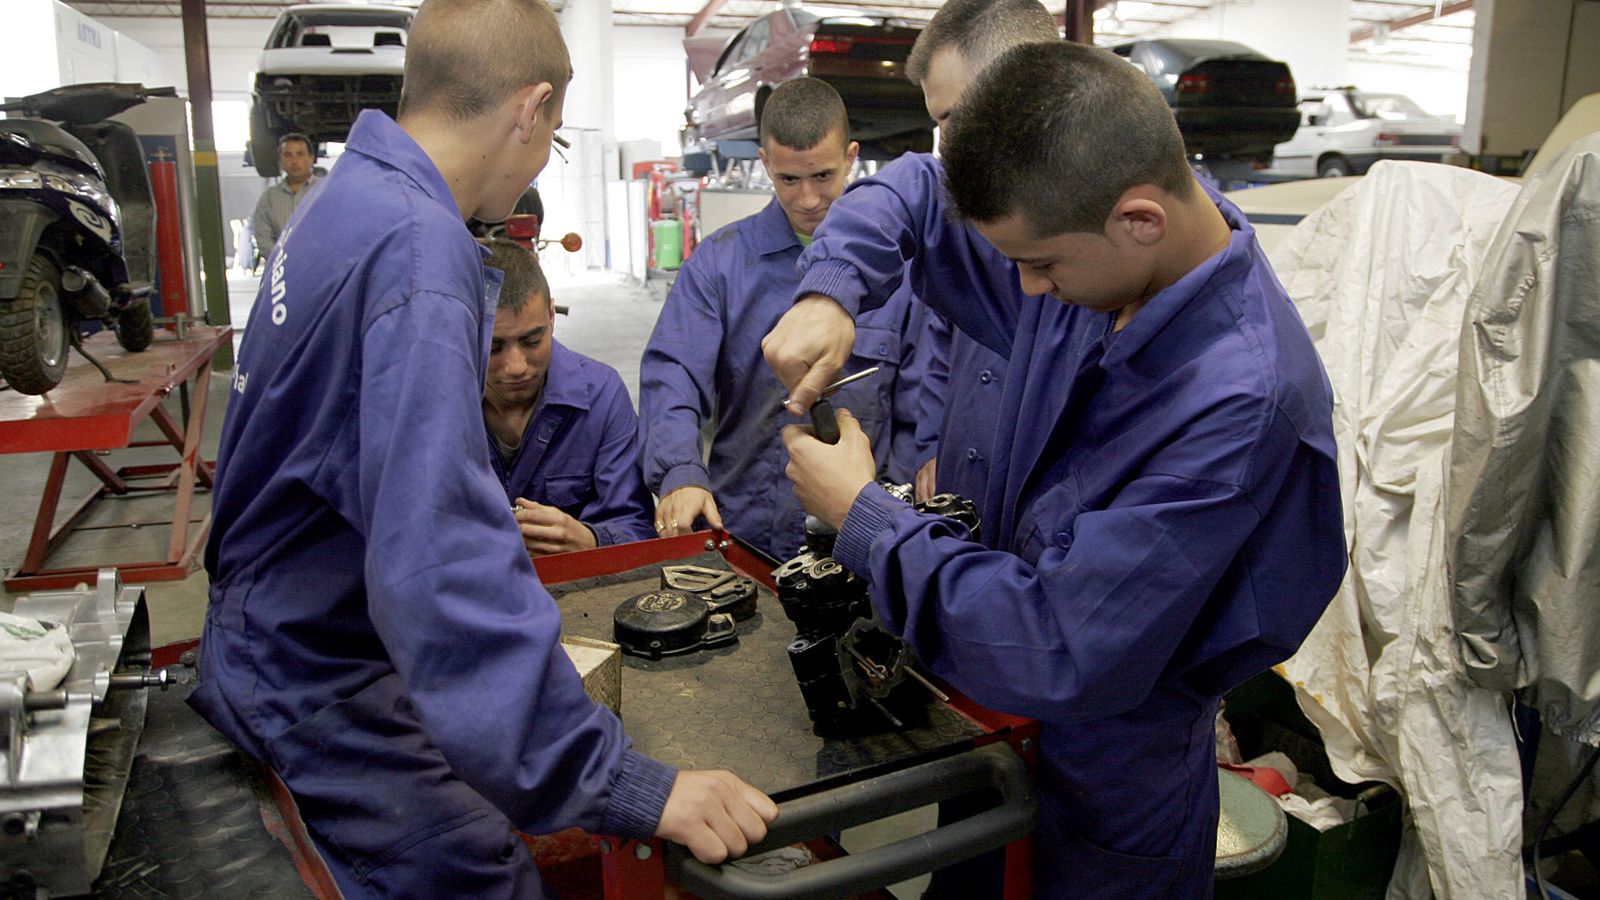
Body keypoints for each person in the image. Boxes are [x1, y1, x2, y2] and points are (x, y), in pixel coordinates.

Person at [190, 1, 776, 896]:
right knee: (484, 874)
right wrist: (617, 780)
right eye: (555, 137)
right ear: (530, 109)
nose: (542, 159)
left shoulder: (342, 199)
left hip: (275, 628)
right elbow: (436, 561)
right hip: (313, 673)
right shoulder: (420, 253)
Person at [767, 40, 1347, 898]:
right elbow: (921, 193)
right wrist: (831, 288)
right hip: (994, 720)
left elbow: (1063, 645)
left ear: (1139, 219)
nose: (1026, 295)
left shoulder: (1236, 404)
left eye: (1041, 266)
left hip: (1108, 775)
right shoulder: (1104, 253)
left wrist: (867, 517)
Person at [638, 77, 934, 561]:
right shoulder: (720, 264)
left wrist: (896, 502)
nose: (809, 199)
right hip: (742, 532)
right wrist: (680, 473)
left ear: (852, 155)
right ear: (765, 164)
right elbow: (672, 376)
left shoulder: (902, 274)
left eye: (823, 176)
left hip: (859, 536)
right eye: (789, 180)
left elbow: (920, 402)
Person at [479, 237, 656, 554]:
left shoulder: (601, 397)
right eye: (493, 348)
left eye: (533, 341)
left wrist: (590, 540)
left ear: (551, 316)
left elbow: (637, 528)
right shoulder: (437, 406)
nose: (517, 367)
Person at [250, 132, 319, 261]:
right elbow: (262, 235)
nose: (294, 161)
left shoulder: (325, 191)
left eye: (300, 154)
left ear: (311, 158)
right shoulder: (269, 198)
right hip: (280, 270)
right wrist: (279, 262)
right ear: (280, 161)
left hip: (320, 268)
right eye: (288, 155)